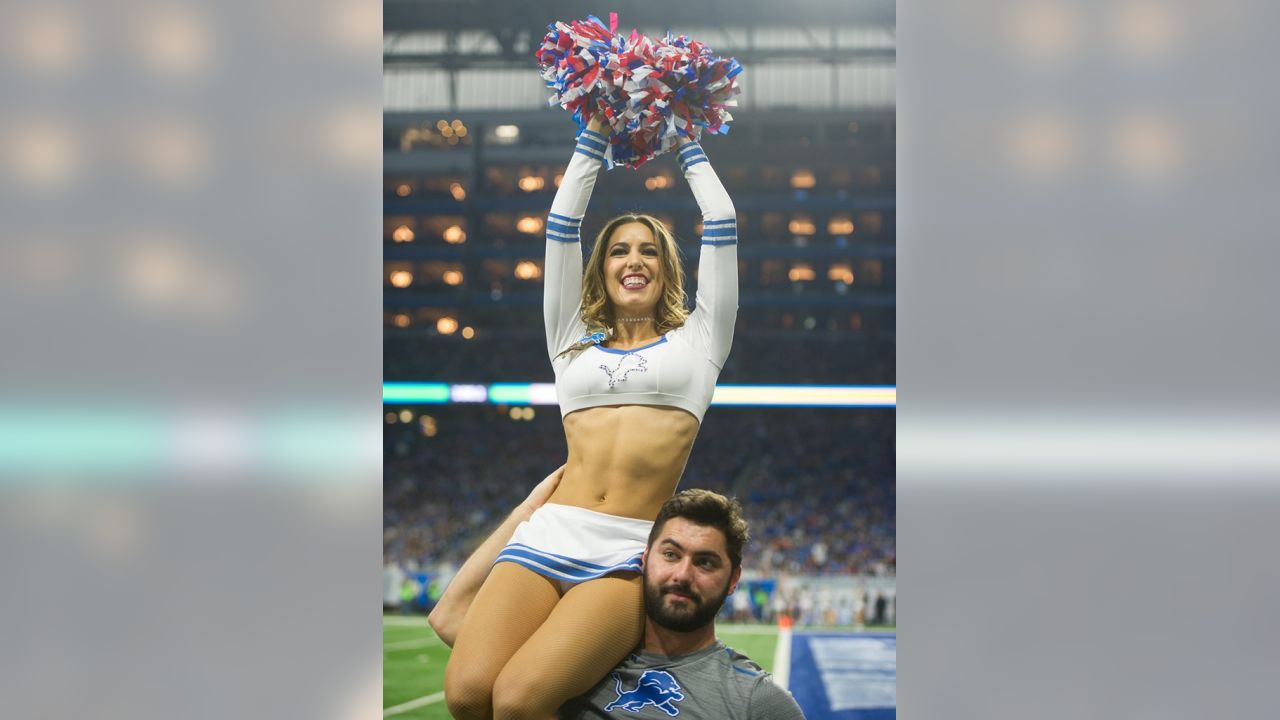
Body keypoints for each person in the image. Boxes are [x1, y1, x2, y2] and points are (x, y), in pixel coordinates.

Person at [444, 113, 739, 720]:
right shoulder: (570, 340)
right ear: (602, 268)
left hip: (627, 553)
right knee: (468, 694)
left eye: (650, 250)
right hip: (546, 536)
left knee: (521, 701)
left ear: (666, 268)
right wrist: (595, 135)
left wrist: (686, 143)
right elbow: (561, 227)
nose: (635, 260)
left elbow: (722, 222)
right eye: (620, 250)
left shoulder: (700, 344)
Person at [431, 468, 806, 719]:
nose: (683, 574)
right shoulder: (573, 659)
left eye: (706, 563)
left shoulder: (757, 700)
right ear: (644, 559)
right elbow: (448, 615)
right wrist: (528, 514)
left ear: (734, 578)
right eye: (671, 554)